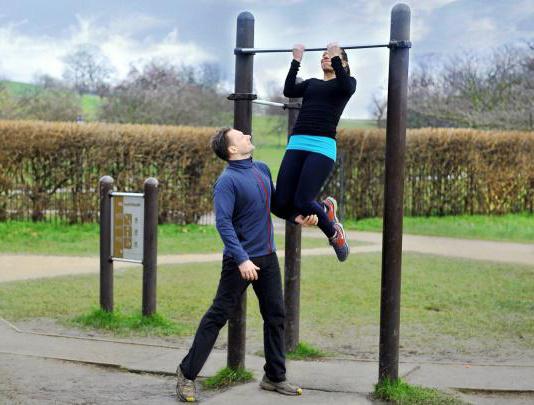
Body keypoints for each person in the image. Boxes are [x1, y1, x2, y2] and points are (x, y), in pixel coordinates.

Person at [175, 127, 317, 402]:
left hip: (267, 257)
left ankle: (274, 377)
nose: (248, 136)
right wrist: (241, 259)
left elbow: (274, 204)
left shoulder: (261, 169)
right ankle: (186, 374)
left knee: (276, 316)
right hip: (239, 262)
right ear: (232, 150)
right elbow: (223, 223)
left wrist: (298, 218)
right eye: (241, 137)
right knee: (217, 317)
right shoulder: (227, 182)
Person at [274, 42, 356, 262]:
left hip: (321, 146)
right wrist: (296, 60)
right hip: (297, 143)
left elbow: (346, 87)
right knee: (279, 203)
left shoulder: (346, 84)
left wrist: (336, 55)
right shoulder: (311, 84)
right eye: (323, 56)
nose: (325, 57)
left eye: (330, 56)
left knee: (302, 199)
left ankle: (334, 233)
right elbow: (289, 90)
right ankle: (322, 210)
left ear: (343, 62)